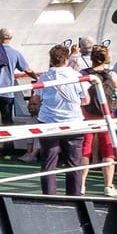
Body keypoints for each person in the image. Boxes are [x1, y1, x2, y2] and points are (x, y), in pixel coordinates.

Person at [33, 44, 89, 195]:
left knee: (49, 161)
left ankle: (49, 196)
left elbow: (36, 99)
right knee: (74, 162)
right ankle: (75, 196)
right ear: (66, 58)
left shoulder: (44, 77)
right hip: (73, 122)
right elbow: (86, 100)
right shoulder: (77, 76)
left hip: (49, 122)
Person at [0, 28, 34, 157]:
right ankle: (8, 151)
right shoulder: (15, 54)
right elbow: (27, 69)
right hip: (7, 92)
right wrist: (37, 78)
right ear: (11, 38)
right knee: (7, 122)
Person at [84, 45, 117, 196]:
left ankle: (81, 184)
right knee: (108, 149)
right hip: (107, 116)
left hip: (87, 116)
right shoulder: (112, 75)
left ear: (91, 58)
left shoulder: (84, 75)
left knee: (85, 148)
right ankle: (108, 185)